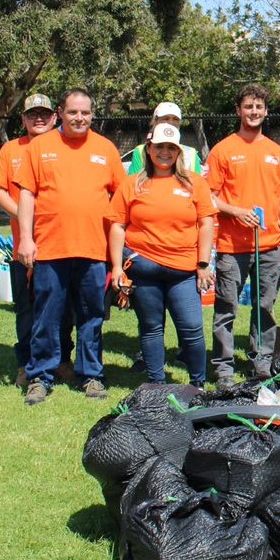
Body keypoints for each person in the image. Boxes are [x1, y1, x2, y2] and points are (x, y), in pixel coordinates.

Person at [14, 87, 127, 405]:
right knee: (46, 317)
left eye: (86, 113)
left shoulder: (105, 149)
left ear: (92, 115)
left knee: (91, 316)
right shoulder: (41, 147)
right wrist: (25, 238)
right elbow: (26, 194)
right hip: (50, 249)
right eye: (74, 112)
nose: (80, 118)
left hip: (93, 250)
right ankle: (39, 377)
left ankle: (91, 375)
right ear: (60, 114)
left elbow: (121, 198)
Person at [108, 123, 216, 387]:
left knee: (191, 328)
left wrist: (203, 264)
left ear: (178, 152)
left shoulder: (194, 184)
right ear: (149, 149)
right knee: (152, 328)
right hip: (144, 270)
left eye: (171, 147)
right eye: (159, 147)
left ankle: (197, 385)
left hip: (183, 271)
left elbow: (206, 224)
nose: (164, 152)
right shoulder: (131, 184)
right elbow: (117, 225)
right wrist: (118, 267)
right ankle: (156, 385)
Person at [206, 83, 280, 390]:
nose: (254, 112)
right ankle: (224, 370)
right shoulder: (223, 150)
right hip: (233, 247)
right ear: (238, 111)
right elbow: (210, 198)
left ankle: (262, 364)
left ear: (266, 111)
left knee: (265, 308)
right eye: (248, 107)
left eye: (259, 107)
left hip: (270, 246)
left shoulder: (276, 152)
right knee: (226, 308)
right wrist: (235, 211)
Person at [0, 93, 74, 389]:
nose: (39, 119)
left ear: (55, 116)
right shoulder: (11, 150)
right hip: (24, 247)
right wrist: (24, 216)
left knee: (63, 306)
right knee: (27, 308)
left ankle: (63, 360)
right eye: (32, 114)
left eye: (45, 113)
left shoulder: (67, 147)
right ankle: (25, 363)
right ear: (23, 119)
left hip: (62, 243)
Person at [126, 102, 202, 175]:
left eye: (175, 119)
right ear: (155, 121)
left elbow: (198, 185)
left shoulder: (191, 154)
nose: (171, 123)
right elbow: (134, 184)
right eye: (165, 118)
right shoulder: (141, 151)